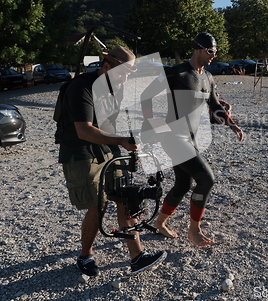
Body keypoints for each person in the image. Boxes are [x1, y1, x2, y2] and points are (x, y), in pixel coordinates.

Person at [56, 46, 166, 277]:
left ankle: (137, 258)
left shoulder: (115, 88)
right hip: (81, 151)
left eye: (129, 74)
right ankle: (85, 256)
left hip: (109, 147)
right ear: (106, 67)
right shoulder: (81, 88)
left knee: (125, 197)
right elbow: (84, 131)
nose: (125, 79)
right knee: (99, 205)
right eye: (123, 73)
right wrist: (122, 140)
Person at [141, 32, 244, 246]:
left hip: (192, 139)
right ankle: (194, 231)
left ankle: (160, 224)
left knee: (183, 184)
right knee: (206, 179)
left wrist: (231, 122)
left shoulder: (208, 77)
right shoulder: (175, 72)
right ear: (197, 48)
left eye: (215, 52)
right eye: (210, 51)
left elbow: (215, 106)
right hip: (172, 137)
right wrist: (153, 121)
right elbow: (146, 96)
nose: (213, 55)